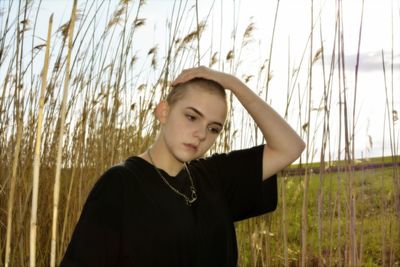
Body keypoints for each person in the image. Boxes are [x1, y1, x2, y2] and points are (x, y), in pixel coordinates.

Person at [60, 66, 305, 267]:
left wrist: (233, 84)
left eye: (213, 128)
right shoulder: (120, 184)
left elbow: (290, 147)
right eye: (191, 116)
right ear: (163, 112)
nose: (201, 134)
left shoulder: (215, 177)